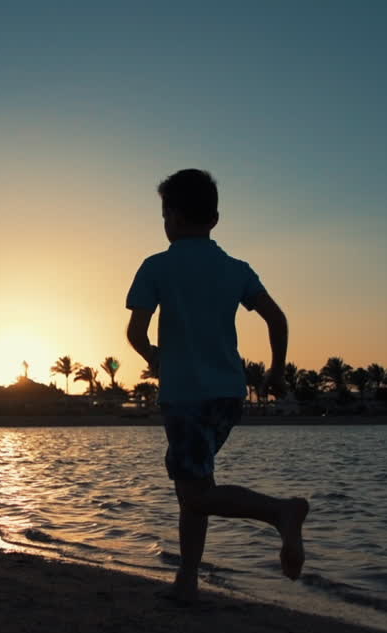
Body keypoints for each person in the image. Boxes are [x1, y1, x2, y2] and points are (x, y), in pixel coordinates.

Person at [125, 168, 309, 604]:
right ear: (215, 218)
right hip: (229, 394)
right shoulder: (235, 269)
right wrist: (276, 371)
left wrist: (154, 357)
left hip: (185, 395)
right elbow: (277, 318)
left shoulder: (157, 266)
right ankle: (187, 582)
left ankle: (281, 511)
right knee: (196, 486)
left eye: (164, 214)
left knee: (195, 493)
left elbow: (135, 333)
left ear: (171, 216)